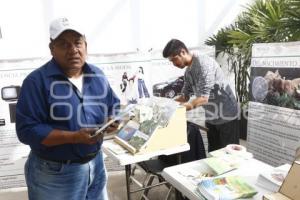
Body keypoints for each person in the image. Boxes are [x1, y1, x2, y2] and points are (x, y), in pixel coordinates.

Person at [16, 17, 120, 200]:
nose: (73, 50)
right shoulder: (36, 82)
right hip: (54, 174)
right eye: (64, 44)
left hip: (96, 165)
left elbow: (114, 105)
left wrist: (113, 119)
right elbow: (27, 130)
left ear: (86, 45)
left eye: (77, 43)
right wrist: (73, 137)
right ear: (51, 48)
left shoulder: (97, 75)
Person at [162, 39, 239, 152]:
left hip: (227, 116)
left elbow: (203, 98)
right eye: (171, 61)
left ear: (183, 52)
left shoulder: (203, 63)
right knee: (214, 155)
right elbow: (184, 96)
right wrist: (167, 105)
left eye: (174, 59)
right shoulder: (188, 72)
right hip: (211, 118)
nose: (174, 64)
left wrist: (178, 110)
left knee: (229, 156)